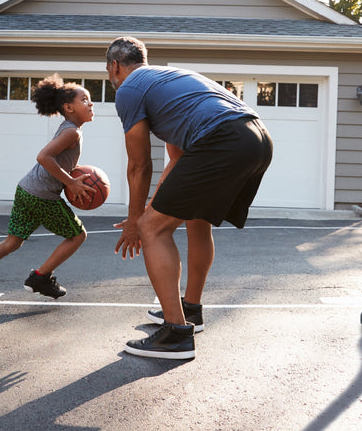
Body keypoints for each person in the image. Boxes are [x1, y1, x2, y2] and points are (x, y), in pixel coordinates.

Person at [106, 36, 273, 360]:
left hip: (223, 140)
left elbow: (139, 165)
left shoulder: (129, 89)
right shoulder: (168, 80)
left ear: (114, 66)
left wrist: (137, 222)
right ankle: (190, 310)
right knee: (195, 218)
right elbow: (177, 159)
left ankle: (176, 334)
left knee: (153, 230)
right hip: (257, 138)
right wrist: (155, 205)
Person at [0, 75, 95, 313]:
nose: (91, 104)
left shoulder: (70, 130)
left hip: (26, 190)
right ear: (68, 107)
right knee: (78, 235)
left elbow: (54, 160)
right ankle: (40, 277)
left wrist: (69, 176)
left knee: (12, 242)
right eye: (85, 99)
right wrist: (70, 183)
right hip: (42, 196)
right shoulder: (72, 132)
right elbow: (43, 157)